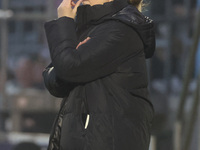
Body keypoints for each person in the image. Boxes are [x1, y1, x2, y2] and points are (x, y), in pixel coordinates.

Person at [43, 0, 155, 149]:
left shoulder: (121, 29)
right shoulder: (89, 28)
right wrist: (67, 60)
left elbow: (68, 68)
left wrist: (64, 21)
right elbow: (56, 82)